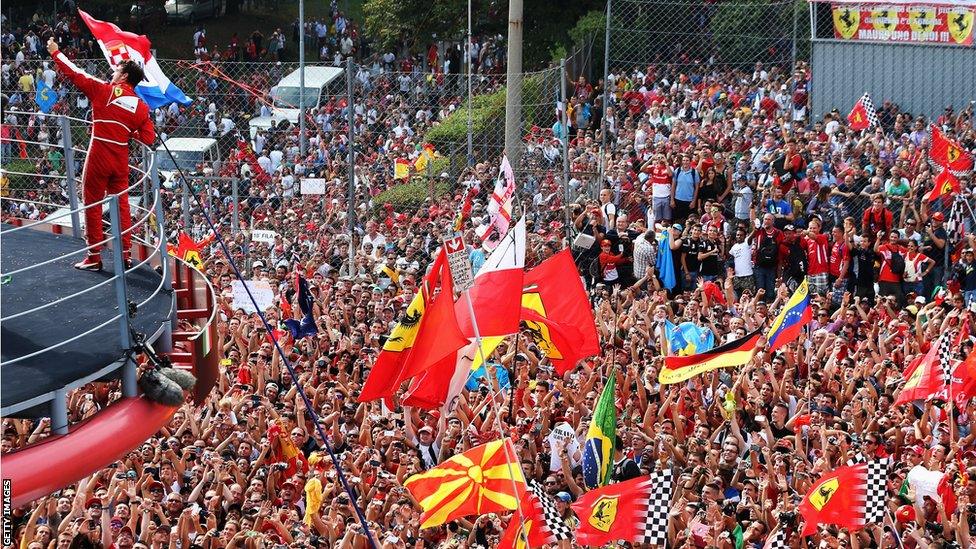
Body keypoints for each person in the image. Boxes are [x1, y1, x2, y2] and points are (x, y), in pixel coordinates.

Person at [47, 38, 155, 271]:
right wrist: (127, 132)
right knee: (122, 206)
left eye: (116, 70)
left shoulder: (104, 90)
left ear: (124, 76)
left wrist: (56, 54)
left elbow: (76, 73)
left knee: (92, 204)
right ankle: (125, 255)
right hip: (121, 160)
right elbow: (148, 138)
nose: (113, 72)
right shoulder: (141, 106)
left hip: (98, 156)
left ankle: (94, 256)